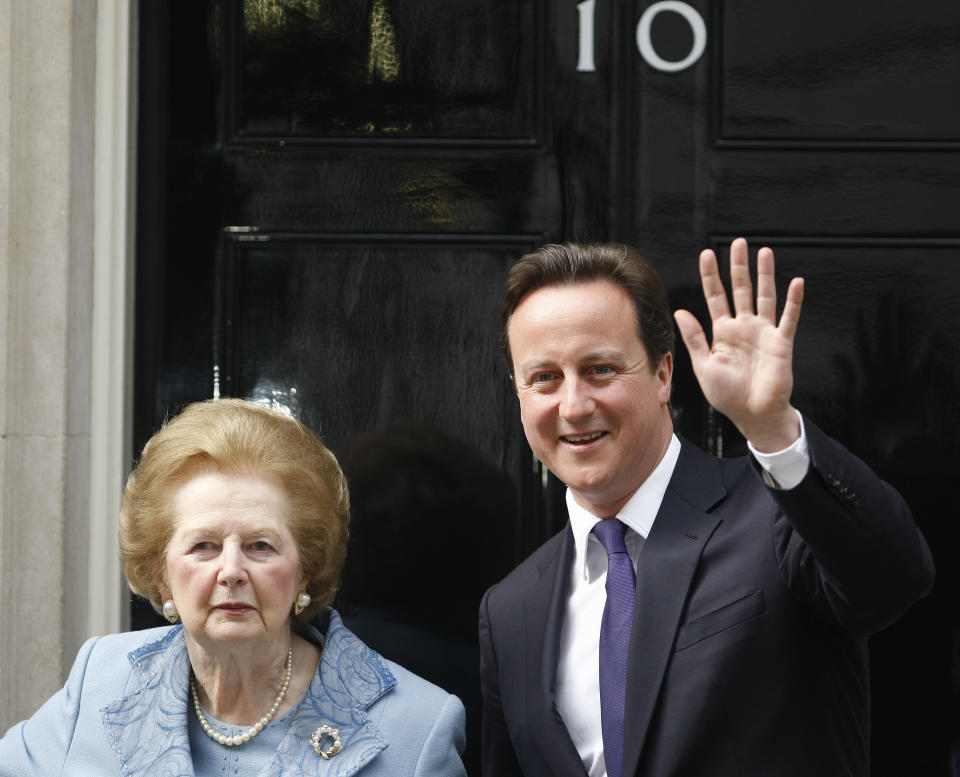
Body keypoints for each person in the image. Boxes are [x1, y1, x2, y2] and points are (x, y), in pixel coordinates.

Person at [478, 239, 934, 777]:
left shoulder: (776, 514)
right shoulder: (509, 610)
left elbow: (895, 578)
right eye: (544, 378)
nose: (574, 405)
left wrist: (773, 430)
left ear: (663, 375)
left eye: (600, 369)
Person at [0, 398, 467, 777]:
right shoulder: (101, 679)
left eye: (261, 546)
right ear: (161, 573)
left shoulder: (417, 728)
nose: (231, 571)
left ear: (305, 569)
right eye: (203, 546)